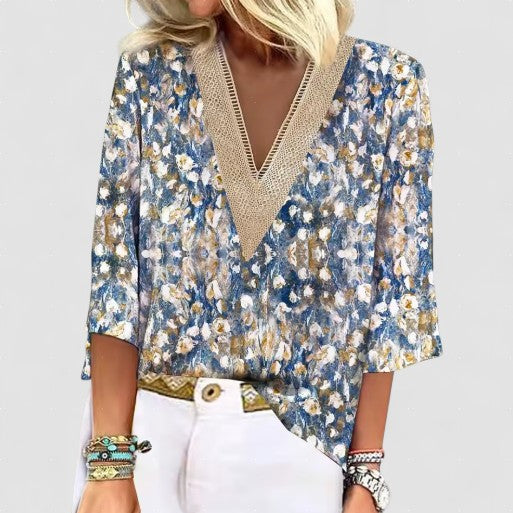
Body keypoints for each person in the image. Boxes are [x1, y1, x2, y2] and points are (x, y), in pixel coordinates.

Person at [71, 1, 444, 512]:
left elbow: (392, 299)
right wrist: (109, 465)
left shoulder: (387, 86)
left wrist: (365, 474)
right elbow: (117, 276)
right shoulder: (150, 74)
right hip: (142, 451)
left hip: (293, 455)